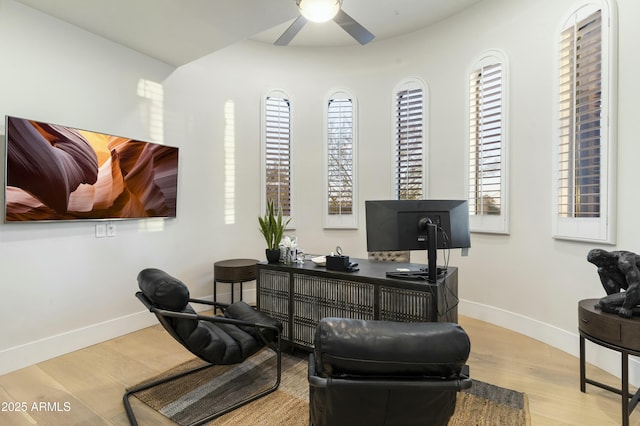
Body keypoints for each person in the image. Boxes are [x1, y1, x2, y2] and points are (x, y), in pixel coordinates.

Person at [587, 249, 640, 318]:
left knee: (604, 303)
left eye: (597, 264)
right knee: (602, 270)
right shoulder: (612, 259)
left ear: (604, 259)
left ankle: (612, 306)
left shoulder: (625, 262)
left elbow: (636, 286)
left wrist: (626, 307)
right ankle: (612, 303)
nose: (597, 266)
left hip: (637, 289)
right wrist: (612, 299)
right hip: (635, 287)